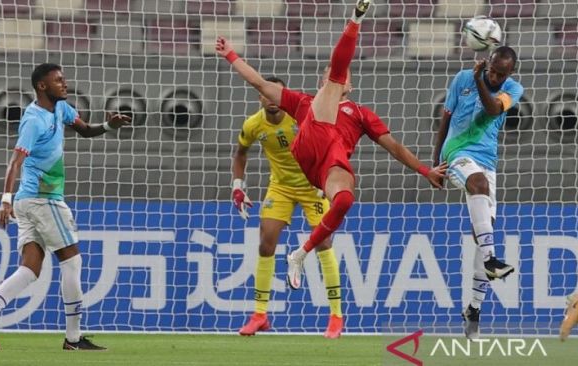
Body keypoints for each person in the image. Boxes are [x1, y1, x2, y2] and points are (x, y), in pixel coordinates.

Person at [217, 0, 446, 292]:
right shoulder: (303, 102)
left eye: (340, 77)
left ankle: (300, 253)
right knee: (330, 84)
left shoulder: (361, 114)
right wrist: (231, 55)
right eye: (327, 75)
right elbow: (260, 83)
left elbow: (394, 147)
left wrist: (425, 170)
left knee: (345, 201)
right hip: (311, 142)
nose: (335, 78)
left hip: (328, 167)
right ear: (321, 79)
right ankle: (355, 20)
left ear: (351, 85)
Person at [0, 63, 131, 350]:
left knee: (30, 269)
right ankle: (73, 338)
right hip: (43, 200)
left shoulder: (62, 109)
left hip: (30, 202)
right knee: (72, 261)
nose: (64, 84)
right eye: (58, 80)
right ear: (42, 86)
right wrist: (5, 200)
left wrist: (107, 126)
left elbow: (85, 131)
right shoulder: (33, 119)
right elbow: (15, 161)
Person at [232, 76, 344, 338]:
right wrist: (238, 185)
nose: (271, 99)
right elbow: (240, 153)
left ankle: (336, 316)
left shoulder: (300, 117)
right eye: (266, 94)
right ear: (259, 96)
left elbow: (329, 141)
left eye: (276, 94)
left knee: (324, 243)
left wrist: (325, 176)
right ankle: (260, 315)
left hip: (311, 185)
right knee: (265, 243)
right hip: (280, 187)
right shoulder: (253, 124)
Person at [431, 46, 524, 340]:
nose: (495, 76)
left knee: (482, 230)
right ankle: (491, 258)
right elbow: (445, 117)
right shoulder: (462, 78)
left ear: (510, 73)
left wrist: (482, 82)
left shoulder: (513, 89)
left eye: (501, 73)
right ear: (488, 62)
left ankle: (474, 308)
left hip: (487, 161)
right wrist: (435, 162)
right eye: (492, 70)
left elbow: (493, 109)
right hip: (456, 151)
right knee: (478, 188)